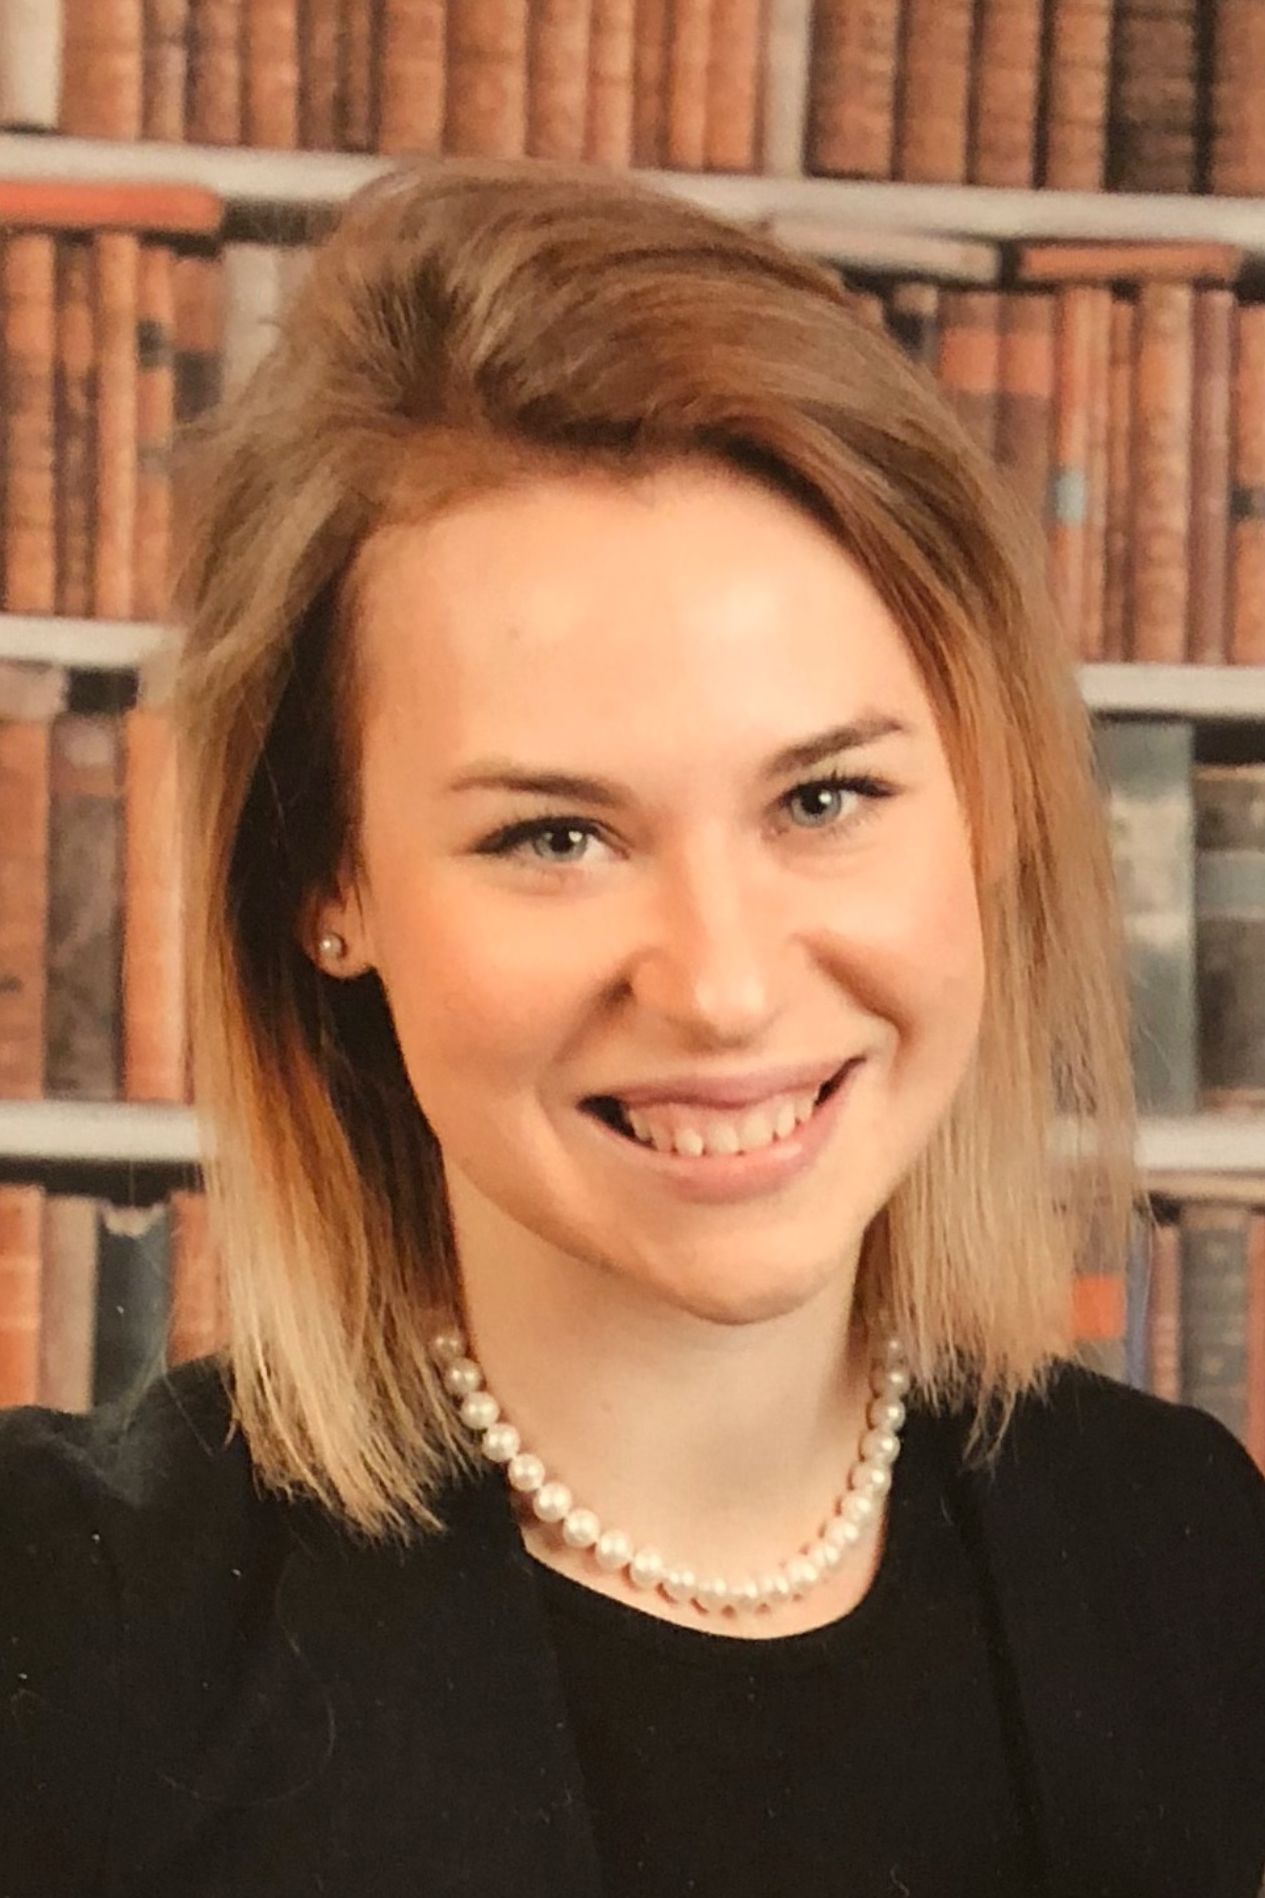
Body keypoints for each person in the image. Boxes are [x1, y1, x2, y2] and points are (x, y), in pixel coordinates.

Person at [2, 158, 1263, 1898]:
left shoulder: (1186, 1550)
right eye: (554, 836)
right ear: (325, 883)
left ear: (986, 804)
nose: (723, 985)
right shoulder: (60, 1628)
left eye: (823, 797)